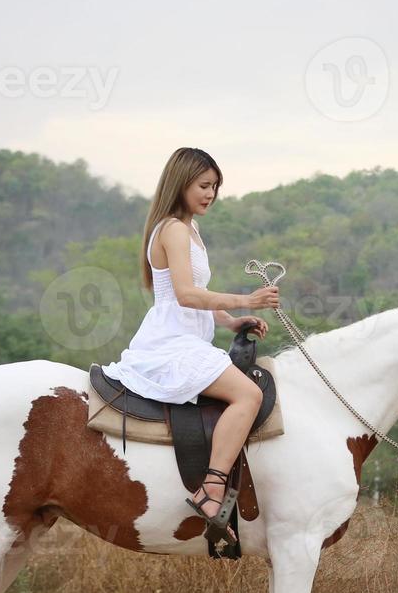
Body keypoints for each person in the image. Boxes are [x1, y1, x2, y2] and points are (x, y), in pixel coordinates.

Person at [100, 147, 280, 539]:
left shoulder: (189, 229)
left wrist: (232, 321)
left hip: (188, 336)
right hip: (172, 342)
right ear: (180, 183)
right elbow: (185, 295)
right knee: (248, 396)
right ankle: (213, 487)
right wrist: (247, 299)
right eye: (203, 185)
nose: (210, 194)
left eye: (215, 186)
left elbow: (199, 294)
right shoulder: (174, 230)